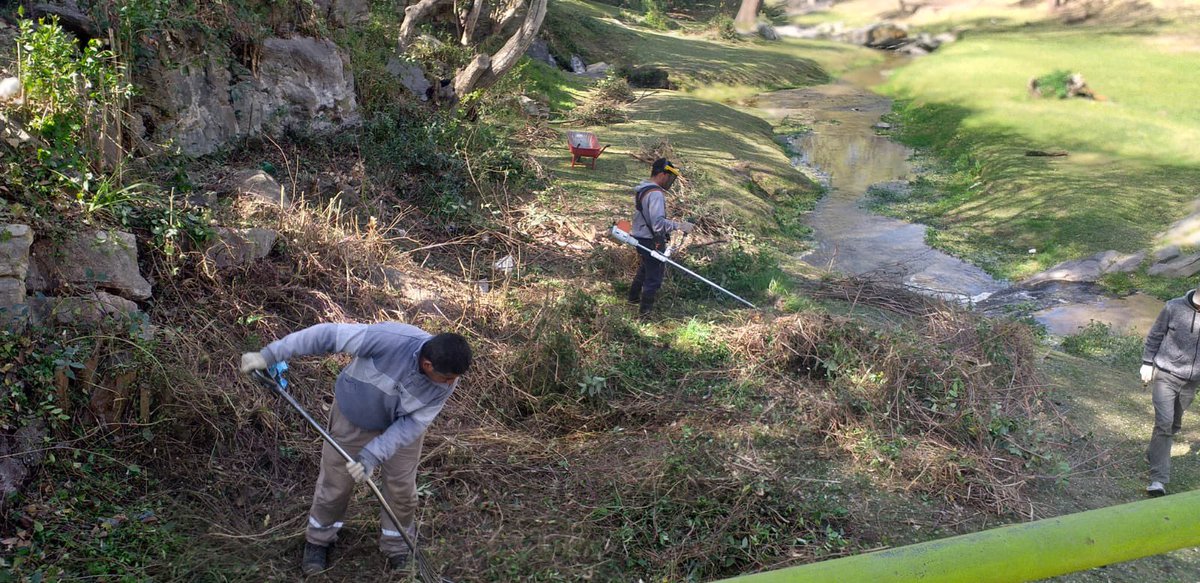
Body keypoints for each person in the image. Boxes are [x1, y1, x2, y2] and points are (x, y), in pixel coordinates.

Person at [240, 323, 472, 574]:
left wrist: (371, 456)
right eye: (448, 378)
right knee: (335, 484)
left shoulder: (447, 380)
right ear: (428, 365)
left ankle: (398, 547)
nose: (451, 384)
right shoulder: (389, 339)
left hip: (401, 428)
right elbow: (327, 335)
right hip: (354, 417)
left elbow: (413, 424)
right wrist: (269, 355)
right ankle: (318, 540)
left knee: (403, 491)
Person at [1140, 288, 1200, 497]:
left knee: (1174, 424)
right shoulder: (1174, 306)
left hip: (1192, 382)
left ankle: (1153, 453)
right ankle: (1158, 480)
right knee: (1164, 424)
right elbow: (1155, 334)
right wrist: (1147, 363)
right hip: (1165, 374)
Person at [626, 158, 694, 317]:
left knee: (645, 269)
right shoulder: (655, 193)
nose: (670, 181)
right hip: (650, 240)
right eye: (669, 177)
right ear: (663, 174)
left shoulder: (643, 189)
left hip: (640, 237)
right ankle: (645, 314)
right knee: (654, 276)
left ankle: (633, 298)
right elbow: (657, 224)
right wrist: (679, 226)